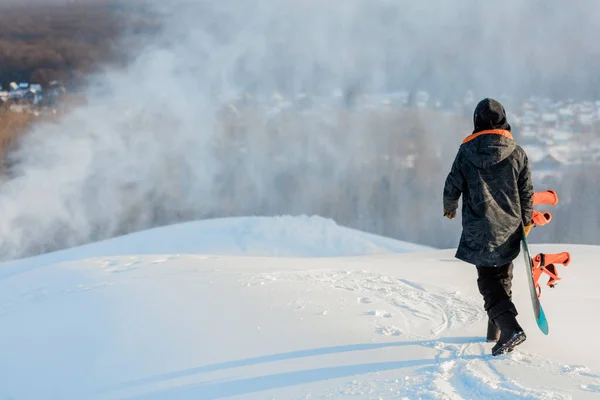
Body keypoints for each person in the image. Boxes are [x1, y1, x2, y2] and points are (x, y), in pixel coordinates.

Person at [442, 97, 534, 356]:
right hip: (510, 226)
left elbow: (453, 183)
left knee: (488, 280)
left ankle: (508, 327)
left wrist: (449, 206)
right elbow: (526, 191)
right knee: (501, 276)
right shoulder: (517, 153)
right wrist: (526, 221)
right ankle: (497, 330)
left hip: (480, 226)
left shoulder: (466, 153)